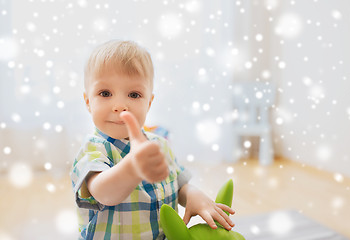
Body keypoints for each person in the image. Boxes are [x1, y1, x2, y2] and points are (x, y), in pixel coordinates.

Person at [70, 40, 235, 239]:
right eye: (105, 93)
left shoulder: (159, 145)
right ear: (88, 102)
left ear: (149, 102)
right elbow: (103, 193)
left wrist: (192, 194)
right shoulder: (93, 149)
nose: (120, 105)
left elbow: (178, 184)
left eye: (134, 94)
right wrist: (132, 168)